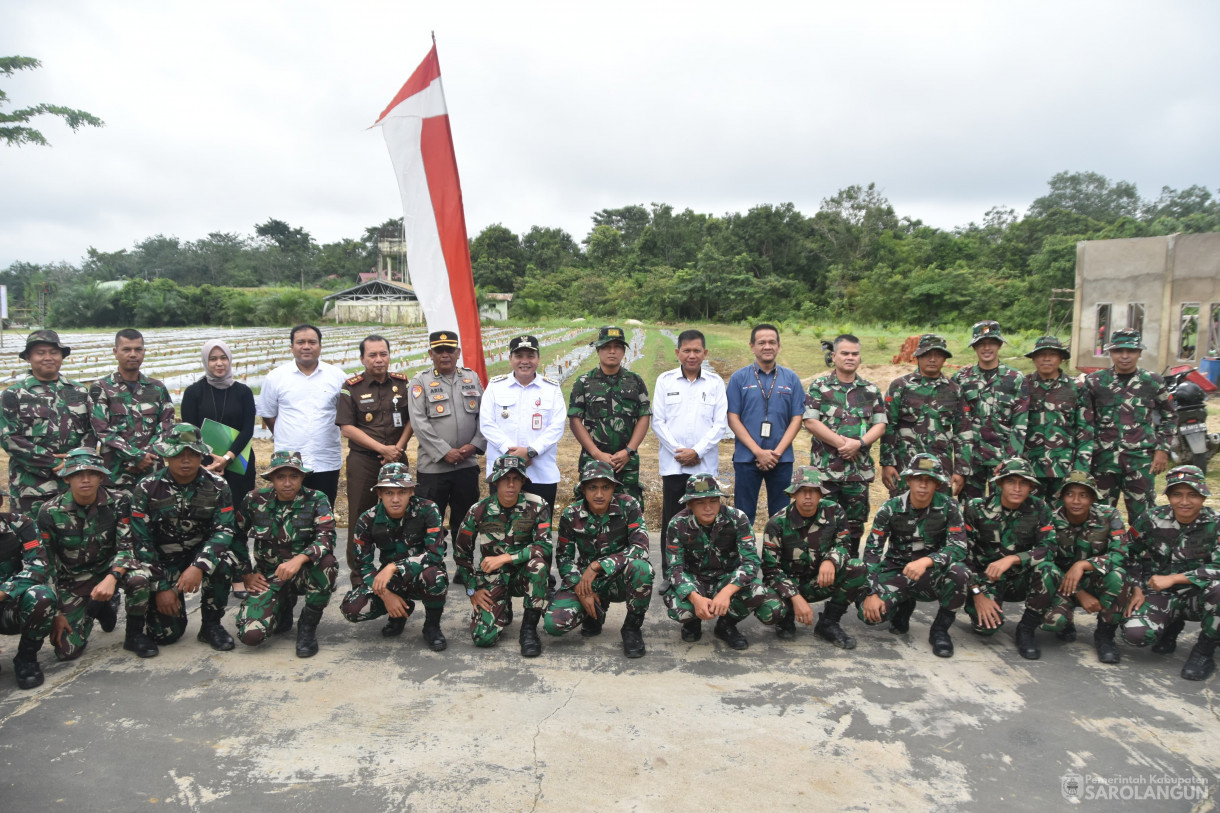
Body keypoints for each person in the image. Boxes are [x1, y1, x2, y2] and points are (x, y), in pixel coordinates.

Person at [36, 448, 157, 661]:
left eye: (91, 473)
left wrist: (113, 577)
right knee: (66, 652)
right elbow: (46, 564)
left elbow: (126, 547)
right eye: (77, 474)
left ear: (101, 476)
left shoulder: (120, 501)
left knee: (140, 578)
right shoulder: (49, 511)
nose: (85, 480)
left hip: (108, 570)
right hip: (72, 580)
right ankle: (100, 608)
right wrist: (56, 611)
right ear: (66, 479)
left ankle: (134, 634)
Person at [130, 423, 236, 651]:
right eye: (178, 454)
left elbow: (223, 531)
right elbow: (142, 541)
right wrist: (161, 587)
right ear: (167, 456)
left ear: (201, 455)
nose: (186, 460)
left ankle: (211, 625)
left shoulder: (218, 486)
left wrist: (199, 566)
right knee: (165, 636)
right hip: (162, 564)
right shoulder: (147, 488)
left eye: (193, 454)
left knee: (223, 563)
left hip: (198, 557)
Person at [855, 454, 971, 658]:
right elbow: (872, 553)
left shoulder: (949, 507)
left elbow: (959, 547)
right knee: (868, 614)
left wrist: (928, 561)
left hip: (931, 574)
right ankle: (902, 607)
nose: (923, 485)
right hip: (897, 571)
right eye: (918, 478)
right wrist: (871, 592)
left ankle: (940, 630)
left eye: (929, 480)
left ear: (937, 484)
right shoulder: (890, 508)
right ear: (908, 480)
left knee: (960, 573)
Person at [231, 450, 338, 658]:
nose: (287, 483)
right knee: (251, 636)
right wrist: (246, 574)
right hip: (269, 576)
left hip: (304, 573)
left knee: (327, 563)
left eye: (294, 476)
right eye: (281, 477)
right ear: (271, 478)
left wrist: (299, 559)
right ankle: (283, 609)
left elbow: (326, 537)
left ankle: (307, 627)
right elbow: (236, 536)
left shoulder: (317, 499)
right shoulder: (254, 499)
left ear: (303, 477)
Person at [543, 461, 654, 658]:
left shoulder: (629, 505)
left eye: (605, 487)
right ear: (583, 489)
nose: (599, 494)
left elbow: (641, 547)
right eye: (593, 487)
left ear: (614, 488)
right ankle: (595, 612)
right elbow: (564, 557)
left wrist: (599, 565)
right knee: (554, 625)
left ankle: (632, 629)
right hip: (587, 581)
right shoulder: (571, 514)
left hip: (619, 577)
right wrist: (579, 586)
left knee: (642, 569)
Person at [662, 474, 783, 650]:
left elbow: (750, 562)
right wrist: (695, 599)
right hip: (695, 581)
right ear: (689, 504)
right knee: (679, 608)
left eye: (713, 500)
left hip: (727, 578)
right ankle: (692, 622)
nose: (708, 508)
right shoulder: (677, 524)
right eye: (700, 502)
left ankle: (726, 625)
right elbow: (675, 569)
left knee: (765, 601)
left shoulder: (737, 518)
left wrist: (726, 592)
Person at [1122, 466, 1220, 681]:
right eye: (1177, 494)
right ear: (1168, 496)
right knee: (1135, 635)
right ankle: (1170, 627)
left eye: (1192, 495)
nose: (1185, 502)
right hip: (1161, 593)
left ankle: (1204, 652)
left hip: (1200, 596)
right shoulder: (1152, 518)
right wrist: (1136, 587)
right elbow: (1127, 553)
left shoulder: (1216, 524)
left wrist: (1174, 578)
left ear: (1203, 495)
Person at [339, 463, 448, 651]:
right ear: (379, 494)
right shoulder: (368, 519)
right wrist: (386, 595)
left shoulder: (428, 510)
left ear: (411, 491)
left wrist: (393, 567)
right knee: (352, 608)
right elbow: (362, 564)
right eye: (389, 493)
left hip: (419, 575)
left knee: (435, 577)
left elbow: (434, 554)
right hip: (391, 581)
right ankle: (399, 612)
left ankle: (432, 626)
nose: (395, 499)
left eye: (402, 492)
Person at [955, 458, 1056, 660]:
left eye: (1024, 483)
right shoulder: (976, 508)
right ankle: (985, 608)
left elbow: (1049, 548)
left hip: (1021, 580)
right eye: (1011, 481)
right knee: (986, 628)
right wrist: (977, 593)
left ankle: (1026, 629)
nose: (1017, 488)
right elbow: (962, 554)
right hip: (986, 582)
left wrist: (1012, 559)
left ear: (1031, 487)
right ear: (1000, 483)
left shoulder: (1040, 509)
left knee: (1049, 570)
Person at [454, 455, 552, 657]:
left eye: (516, 478)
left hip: (523, 574)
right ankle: (502, 607)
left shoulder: (537, 505)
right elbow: (461, 554)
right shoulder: (478, 511)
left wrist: (506, 558)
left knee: (539, 565)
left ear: (523, 481)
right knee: (483, 639)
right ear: (495, 481)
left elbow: (544, 546)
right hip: (493, 578)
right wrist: (472, 591)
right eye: (505, 478)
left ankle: (528, 630)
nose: (511, 484)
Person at [761, 467, 868, 648]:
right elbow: (771, 570)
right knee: (770, 612)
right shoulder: (777, 523)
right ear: (793, 494)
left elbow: (845, 545)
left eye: (813, 491)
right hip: (787, 586)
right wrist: (795, 597)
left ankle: (829, 622)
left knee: (856, 568)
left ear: (821, 494)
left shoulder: (835, 511)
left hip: (820, 581)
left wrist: (831, 560)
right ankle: (786, 617)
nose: (808, 496)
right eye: (802, 491)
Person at [407, 330, 485, 577]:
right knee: (431, 522)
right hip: (433, 467)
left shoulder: (471, 378)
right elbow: (419, 422)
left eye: (449, 350)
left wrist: (474, 444)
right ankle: (432, 569)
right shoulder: (419, 381)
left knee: (465, 521)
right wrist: (444, 452)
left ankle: (464, 568)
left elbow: (485, 416)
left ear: (457, 353)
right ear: (430, 354)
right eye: (438, 350)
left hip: (466, 464)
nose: (444, 355)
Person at [336, 334, 412, 578]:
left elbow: (413, 419)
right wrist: (382, 450)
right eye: (372, 355)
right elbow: (347, 427)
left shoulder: (402, 384)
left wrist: (397, 448)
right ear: (362, 358)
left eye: (383, 354)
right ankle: (360, 575)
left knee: (402, 513)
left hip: (397, 458)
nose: (379, 360)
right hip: (364, 461)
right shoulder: (351, 388)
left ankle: (400, 568)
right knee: (360, 515)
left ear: (389, 355)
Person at [1081, 328, 1175, 527]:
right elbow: (1085, 421)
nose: (1124, 356)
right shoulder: (1095, 382)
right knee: (1099, 516)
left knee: (1144, 517)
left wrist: (1162, 449)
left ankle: (1141, 556)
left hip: (1141, 460)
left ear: (1139, 353)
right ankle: (1105, 556)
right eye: (1118, 351)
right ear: (1110, 353)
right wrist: (1084, 457)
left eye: (1130, 351)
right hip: (1102, 460)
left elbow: (1170, 415)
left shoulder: (1153, 381)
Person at [802, 333, 887, 552]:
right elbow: (811, 421)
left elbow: (880, 425)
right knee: (822, 525)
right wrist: (843, 444)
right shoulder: (819, 387)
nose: (850, 357)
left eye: (855, 354)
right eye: (845, 353)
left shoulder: (870, 390)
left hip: (857, 473)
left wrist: (858, 443)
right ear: (834, 356)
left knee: (854, 527)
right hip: (825, 473)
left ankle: (850, 572)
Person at [1033, 471, 1128, 664]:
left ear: (1093, 498)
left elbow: (1121, 554)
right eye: (1070, 494)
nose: (1076, 501)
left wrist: (1083, 564)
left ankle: (1105, 635)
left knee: (1118, 576)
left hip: (1096, 578)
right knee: (1052, 622)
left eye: (1083, 495)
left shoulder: (1109, 516)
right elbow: (1045, 559)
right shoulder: (1050, 518)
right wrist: (1079, 592)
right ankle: (1066, 622)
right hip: (1063, 583)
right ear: (1062, 497)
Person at [0, 330, 96, 513]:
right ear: (28, 357)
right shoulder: (13, 394)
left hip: (74, 483)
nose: (48, 358)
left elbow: (91, 431)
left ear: (61, 356)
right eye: (40, 352)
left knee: (74, 536)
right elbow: (9, 438)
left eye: (53, 352)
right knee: (32, 538)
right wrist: (52, 463)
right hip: (32, 488)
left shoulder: (80, 391)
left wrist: (74, 461)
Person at [652, 329, 727, 550]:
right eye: (686, 350)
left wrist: (697, 451)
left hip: (703, 467)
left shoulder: (714, 383)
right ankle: (670, 573)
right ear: (677, 352)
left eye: (696, 350)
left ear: (705, 353)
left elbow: (720, 424)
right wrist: (681, 452)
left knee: (705, 518)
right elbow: (658, 421)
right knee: (673, 520)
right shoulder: (665, 381)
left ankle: (703, 572)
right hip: (674, 466)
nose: (691, 355)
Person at [257, 324, 347, 509]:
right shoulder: (276, 377)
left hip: (326, 459)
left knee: (323, 512)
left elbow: (345, 413)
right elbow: (268, 415)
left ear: (320, 346)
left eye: (312, 342)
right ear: (292, 347)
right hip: (288, 463)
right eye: (301, 342)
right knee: (288, 513)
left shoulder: (337, 376)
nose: (306, 346)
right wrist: (287, 434)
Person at [726, 324, 805, 525]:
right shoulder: (739, 378)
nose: (767, 346)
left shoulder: (791, 379)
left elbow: (797, 418)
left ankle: (776, 556)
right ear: (752, 346)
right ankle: (745, 556)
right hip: (746, 457)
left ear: (779, 346)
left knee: (781, 517)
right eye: (761, 342)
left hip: (782, 459)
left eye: (772, 342)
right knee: (743, 516)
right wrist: (758, 452)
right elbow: (733, 418)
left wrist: (776, 453)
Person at [479, 335, 566, 513]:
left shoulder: (551, 388)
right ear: (510, 358)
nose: (524, 361)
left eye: (530, 356)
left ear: (538, 358)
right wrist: (512, 454)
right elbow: (487, 423)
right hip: (503, 474)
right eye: (519, 356)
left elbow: (557, 426)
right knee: (502, 529)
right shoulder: (496, 387)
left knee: (540, 530)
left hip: (540, 473)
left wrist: (531, 451)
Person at [879, 333, 973, 498]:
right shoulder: (900, 386)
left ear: (944, 359)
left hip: (941, 469)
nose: (932, 359)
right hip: (905, 467)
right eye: (927, 354)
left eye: (938, 355)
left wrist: (961, 470)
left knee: (939, 513)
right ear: (918, 357)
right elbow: (888, 426)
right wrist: (887, 463)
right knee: (902, 511)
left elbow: (963, 431)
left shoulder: (954, 390)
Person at [569, 326, 652, 508]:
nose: (612, 351)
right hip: (593, 461)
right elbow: (575, 420)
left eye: (617, 346)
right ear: (598, 350)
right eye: (606, 346)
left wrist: (628, 451)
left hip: (626, 462)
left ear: (623, 351)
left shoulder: (635, 381)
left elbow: (644, 417)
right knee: (590, 510)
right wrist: (596, 453)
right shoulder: (584, 382)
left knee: (629, 509)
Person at [89, 328, 175, 496]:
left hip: (152, 472)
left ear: (144, 352)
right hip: (116, 474)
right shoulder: (101, 388)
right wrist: (136, 456)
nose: (133, 354)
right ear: (115, 353)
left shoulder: (157, 388)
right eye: (126, 349)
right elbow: (102, 430)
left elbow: (167, 426)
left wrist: (147, 455)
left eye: (138, 349)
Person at [181, 339, 259, 518]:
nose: (219, 363)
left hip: (239, 461)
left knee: (239, 514)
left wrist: (226, 458)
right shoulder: (194, 392)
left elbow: (248, 429)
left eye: (223, 357)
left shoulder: (243, 392)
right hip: (204, 464)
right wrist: (209, 461)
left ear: (230, 359)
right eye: (213, 358)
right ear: (205, 362)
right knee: (206, 514)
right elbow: (189, 431)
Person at [951, 321, 1028, 502]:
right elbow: (957, 423)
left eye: (991, 342)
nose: (986, 348)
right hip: (971, 459)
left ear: (999, 344)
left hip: (1001, 460)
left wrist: (1010, 461)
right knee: (970, 510)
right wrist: (961, 463)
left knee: (1002, 509)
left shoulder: (1015, 379)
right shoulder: (961, 378)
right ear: (974, 347)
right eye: (981, 343)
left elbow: (1020, 423)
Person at [1020, 336, 1093, 497]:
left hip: (1064, 467)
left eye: (1052, 354)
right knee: (1030, 516)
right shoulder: (1023, 385)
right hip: (1029, 468)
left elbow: (1085, 430)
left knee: (1062, 517)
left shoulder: (1076, 388)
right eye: (1041, 354)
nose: (1046, 358)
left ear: (1061, 358)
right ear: (1033, 358)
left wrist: (1081, 468)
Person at [0, 487, 57, 688]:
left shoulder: (20, 524)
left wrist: (5, 591)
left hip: (10, 606)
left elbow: (38, 566)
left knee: (42, 597)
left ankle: (26, 658)